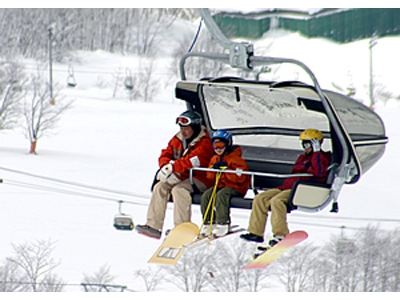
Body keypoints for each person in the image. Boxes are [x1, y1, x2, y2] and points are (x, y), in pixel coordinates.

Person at [240, 128, 332, 247]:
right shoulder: (302, 158)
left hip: (303, 188)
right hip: (287, 186)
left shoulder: (323, 157)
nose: (305, 147)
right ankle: (256, 232)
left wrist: (317, 153)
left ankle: (281, 234)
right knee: (260, 198)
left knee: (277, 201)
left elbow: (319, 173)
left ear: (318, 143)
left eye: (308, 144)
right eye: (303, 144)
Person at [136, 110, 214, 239]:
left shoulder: (205, 143)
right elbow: (166, 153)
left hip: (201, 178)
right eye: (182, 128)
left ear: (195, 128)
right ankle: (153, 225)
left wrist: (173, 167)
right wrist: (164, 166)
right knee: (160, 187)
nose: (183, 131)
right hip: (182, 176)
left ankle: (181, 227)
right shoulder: (178, 139)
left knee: (179, 190)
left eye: (187, 128)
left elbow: (192, 161)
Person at [200, 130, 250, 237]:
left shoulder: (236, 159)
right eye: (215, 146)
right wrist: (214, 169)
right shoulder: (215, 159)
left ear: (227, 144)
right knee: (206, 195)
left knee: (221, 195)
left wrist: (226, 170)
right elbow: (209, 176)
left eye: (220, 145)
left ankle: (223, 222)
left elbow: (240, 178)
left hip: (236, 188)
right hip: (221, 185)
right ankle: (209, 222)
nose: (218, 149)